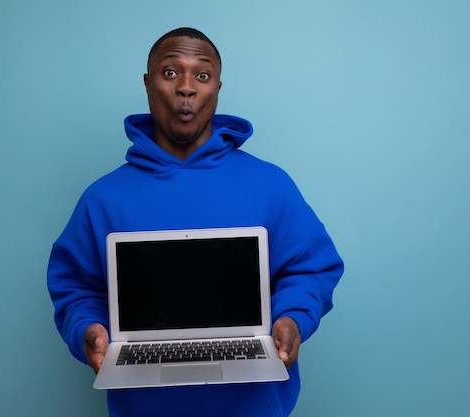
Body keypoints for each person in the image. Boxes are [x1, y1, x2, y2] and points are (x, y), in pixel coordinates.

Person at [47, 27, 344, 417]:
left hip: (254, 407)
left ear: (217, 87)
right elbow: (76, 287)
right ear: (148, 83)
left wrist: (292, 317)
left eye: (201, 76)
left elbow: (311, 268)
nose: (186, 88)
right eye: (170, 72)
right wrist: (88, 329)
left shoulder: (269, 185)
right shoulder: (103, 198)